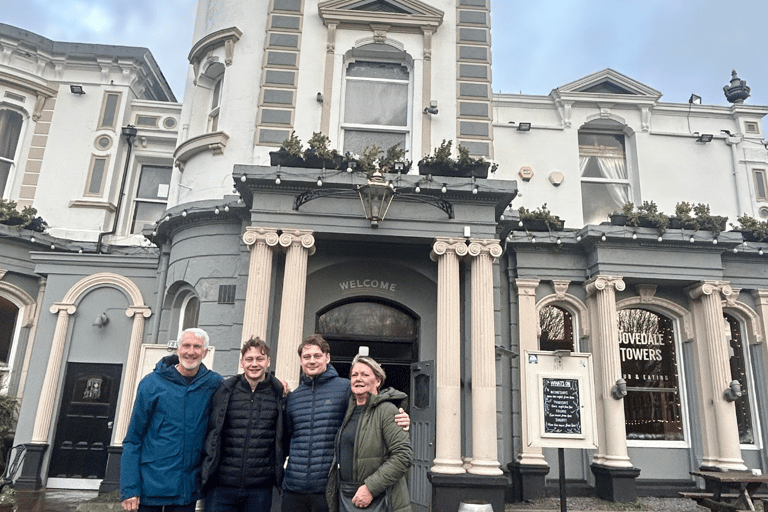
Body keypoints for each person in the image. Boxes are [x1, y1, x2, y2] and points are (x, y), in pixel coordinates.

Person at [282, 334, 409, 512]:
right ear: (300, 361)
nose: (312, 361)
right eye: (306, 357)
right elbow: (285, 439)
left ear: (327, 357)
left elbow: (373, 403)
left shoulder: (345, 389)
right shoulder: (293, 398)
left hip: (328, 489)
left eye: (317, 355)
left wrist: (401, 414)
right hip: (294, 489)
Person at [120, 328, 223, 512]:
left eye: (197, 347)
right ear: (177, 349)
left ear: (205, 352)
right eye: (186, 345)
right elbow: (133, 439)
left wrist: (279, 387)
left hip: (187, 489)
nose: (191, 352)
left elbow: (242, 390)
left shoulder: (214, 383)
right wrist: (129, 489)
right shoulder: (152, 383)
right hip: (150, 486)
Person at [201, 336, 285, 512]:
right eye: (249, 359)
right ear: (242, 362)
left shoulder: (279, 395)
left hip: (259, 489)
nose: (254, 364)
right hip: (221, 486)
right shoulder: (225, 392)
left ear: (268, 362)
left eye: (259, 359)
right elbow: (211, 431)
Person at [326, 355, 412, 512]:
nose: (359, 379)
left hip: (379, 498)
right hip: (347, 497)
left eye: (365, 374)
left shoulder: (387, 410)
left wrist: (370, 488)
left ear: (378, 381)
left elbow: (403, 455)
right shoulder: (348, 411)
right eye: (354, 375)